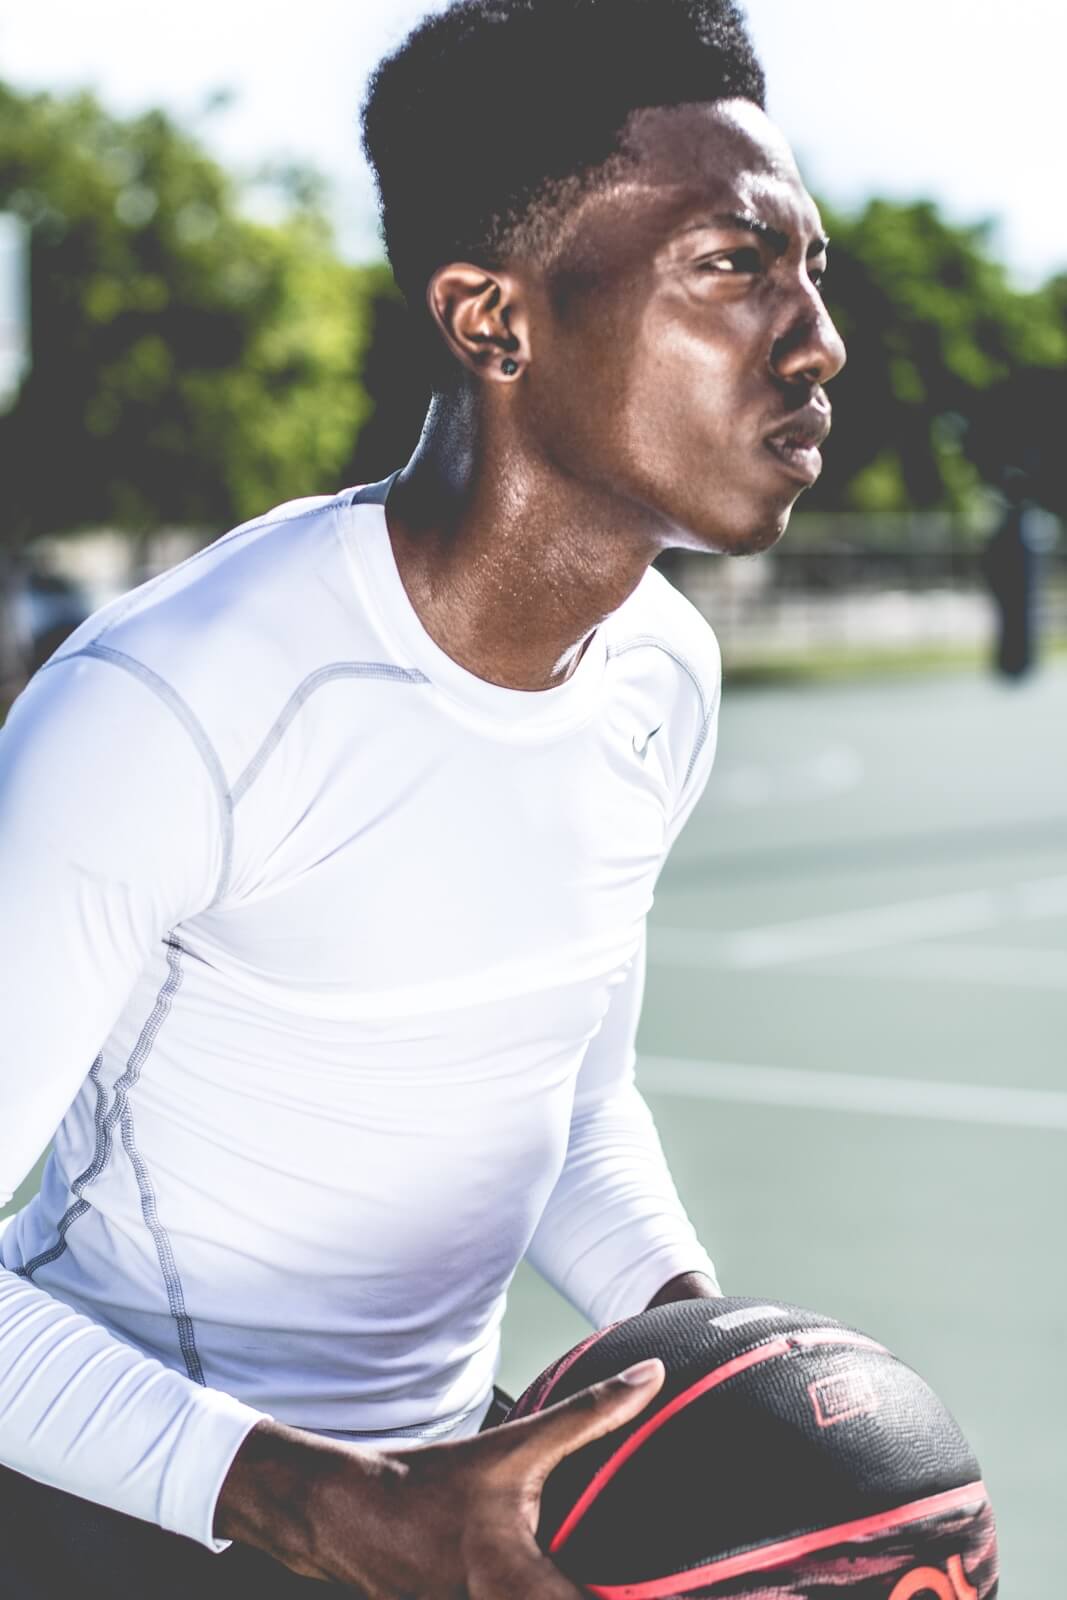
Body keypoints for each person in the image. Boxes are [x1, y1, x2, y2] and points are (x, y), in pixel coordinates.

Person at [0, 0, 845, 1594]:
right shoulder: (174, 706)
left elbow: (569, 1104)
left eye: (813, 269)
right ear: (491, 321)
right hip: (119, 1521)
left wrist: (718, 1361)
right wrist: (324, 1503)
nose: (815, 342)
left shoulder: (660, 674)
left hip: (444, 1509)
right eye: (734, 265)